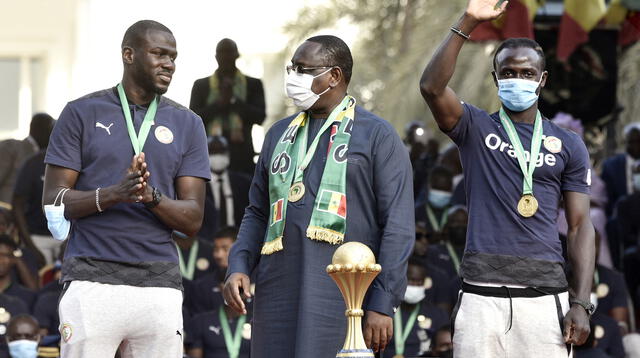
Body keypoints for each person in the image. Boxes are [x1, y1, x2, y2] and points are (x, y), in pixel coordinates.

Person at [419, 0, 595, 355]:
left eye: (527, 73)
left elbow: (579, 226)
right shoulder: (475, 126)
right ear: (496, 78)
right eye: (509, 73)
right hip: (481, 297)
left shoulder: (568, 144)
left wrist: (582, 301)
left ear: (542, 80)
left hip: (545, 300)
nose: (518, 79)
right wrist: (467, 21)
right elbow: (432, 88)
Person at [223, 35, 415, 357]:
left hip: (346, 299)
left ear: (334, 76)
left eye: (303, 70)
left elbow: (397, 224)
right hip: (278, 292)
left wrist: (383, 302)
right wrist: (239, 264)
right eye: (292, 69)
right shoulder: (277, 135)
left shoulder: (377, 135)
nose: (293, 78)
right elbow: (258, 211)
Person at [42, 20, 210, 357]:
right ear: (128, 54)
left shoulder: (188, 123)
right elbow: (53, 201)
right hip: (91, 279)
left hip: (159, 283)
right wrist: (113, 194)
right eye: (159, 54)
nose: (169, 64)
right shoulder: (81, 113)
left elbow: (192, 220)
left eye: (173, 57)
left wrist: (151, 197)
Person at [189, 39, 266, 175]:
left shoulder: (253, 84)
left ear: (237, 55)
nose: (225, 57)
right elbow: (193, 120)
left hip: (242, 157)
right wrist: (220, 103)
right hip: (209, 154)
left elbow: (260, 117)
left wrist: (233, 100)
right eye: (221, 53)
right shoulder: (201, 85)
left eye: (229, 52)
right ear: (216, 56)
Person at [382, 259, 449, 358]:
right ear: (401, 280)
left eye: (420, 282)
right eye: (411, 280)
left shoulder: (438, 315)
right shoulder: (383, 312)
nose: (415, 285)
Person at [13, 146, 60, 267]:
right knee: (39, 281)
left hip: (70, 236)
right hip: (38, 238)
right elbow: (17, 205)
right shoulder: (34, 162)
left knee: (71, 283)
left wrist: (71, 241)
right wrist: (31, 246)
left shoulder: (80, 160)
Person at [198, 136, 251, 239]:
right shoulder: (198, 185)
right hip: (208, 243)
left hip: (239, 240)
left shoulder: (244, 183)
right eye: (213, 151)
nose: (217, 155)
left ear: (228, 153)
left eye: (221, 151)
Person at [0, 114, 55, 204]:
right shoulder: (12, 147)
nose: (53, 134)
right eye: (51, 129)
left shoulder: (48, 157)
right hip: (7, 210)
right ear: (37, 129)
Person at [186, 227, 237, 316]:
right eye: (216, 249)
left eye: (225, 249)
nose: (218, 255)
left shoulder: (256, 280)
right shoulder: (201, 287)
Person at [601, 123, 640, 215]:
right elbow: (608, 200)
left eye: (639, 141)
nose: (636, 145)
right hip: (621, 218)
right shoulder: (611, 166)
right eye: (632, 141)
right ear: (626, 142)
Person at [415, 166, 454, 239]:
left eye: (445, 190)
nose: (441, 193)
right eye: (437, 188)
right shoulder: (415, 213)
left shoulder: (457, 215)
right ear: (428, 186)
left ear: (451, 188)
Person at [0, 235, 37, 310]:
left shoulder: (24, 297)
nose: (1, 260)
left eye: (6, 256)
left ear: (14, 259)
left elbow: (34, 289)